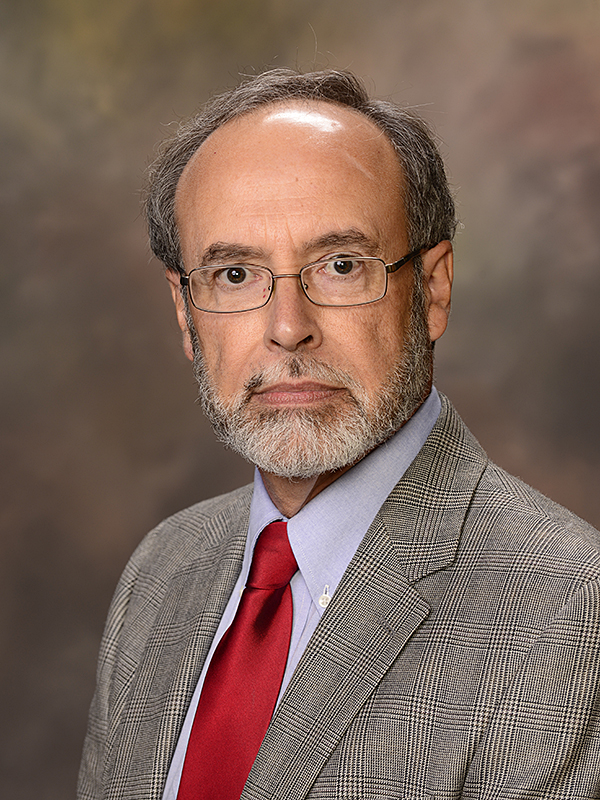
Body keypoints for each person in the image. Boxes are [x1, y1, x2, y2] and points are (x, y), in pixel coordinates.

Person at [78, 69, 600, 800]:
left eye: (341, 266)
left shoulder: (569, 609)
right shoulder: (161, 571)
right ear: (185, 311)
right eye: (235, 275)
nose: (288, 328)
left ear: (433, 289)